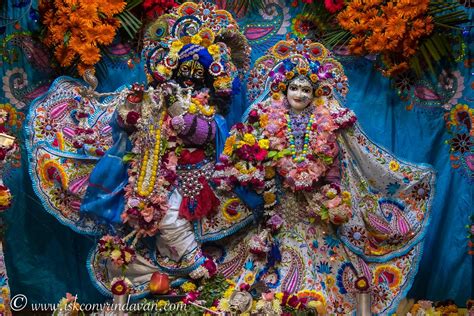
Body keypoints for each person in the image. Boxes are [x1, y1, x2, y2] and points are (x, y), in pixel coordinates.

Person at [211, 38, 436, 315]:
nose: (300, 94)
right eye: (294, 87)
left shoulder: (328, 120)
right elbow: (252, 155)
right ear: (283, 90)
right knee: (275, 244)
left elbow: (333, 162)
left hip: (313, 202)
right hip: (277, 200)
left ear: (315, 94)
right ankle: (273, 296)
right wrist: (261, 174)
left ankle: (312, 294)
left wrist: (332, 192)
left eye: (307, 89)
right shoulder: (263, 116)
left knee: (319, 251)